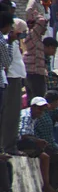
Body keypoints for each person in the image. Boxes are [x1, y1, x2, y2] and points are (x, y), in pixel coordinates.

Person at [1, 18, 27, 154]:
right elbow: (7, 61)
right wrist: (11, 41)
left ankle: (10, 145)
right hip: (11, 79)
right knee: (10, 115)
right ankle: (8, 146)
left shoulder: (15, 42)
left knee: (14, 115)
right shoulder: (6, 40)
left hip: (16, 78)